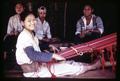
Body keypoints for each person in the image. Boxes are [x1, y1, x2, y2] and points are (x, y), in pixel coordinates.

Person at [16, 11, 102, 78]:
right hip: (34, 72)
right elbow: (33, 55)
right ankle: (93, 66)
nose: (32, 22)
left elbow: (35, 47)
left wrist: (48, 46)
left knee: (68, 62)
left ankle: (91, 65)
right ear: (23, 23)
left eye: (34, 20)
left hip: (39, 66)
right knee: (71, 68)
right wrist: (53, 55)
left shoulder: (30, 33)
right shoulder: (24, 36)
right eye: (29, 21)